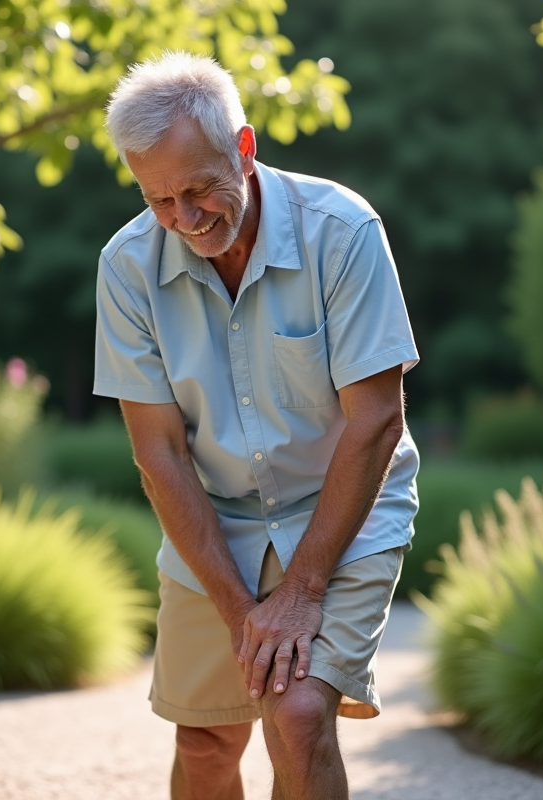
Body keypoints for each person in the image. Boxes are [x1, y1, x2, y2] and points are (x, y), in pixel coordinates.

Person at [93, 51, 420, 800]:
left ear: (244, 148)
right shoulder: (126, 267)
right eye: (159, 200)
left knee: (299, 715)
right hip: (218, 519)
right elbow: (161, 454)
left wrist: (301, 590)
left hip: (344, 506)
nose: (184, 218)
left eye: (201, 189)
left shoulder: (342, 231)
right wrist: (243, 612)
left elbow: (374, 422)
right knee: (206, 739)